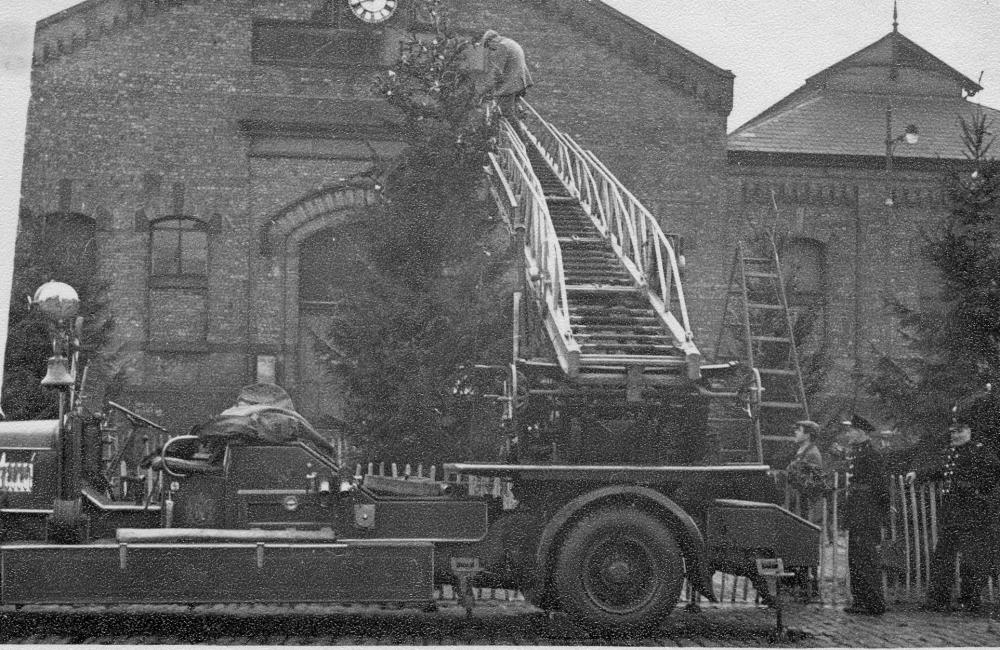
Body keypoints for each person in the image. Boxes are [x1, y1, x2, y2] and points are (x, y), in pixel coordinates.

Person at [908, 404, 1000, 614]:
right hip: (952, 513)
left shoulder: (980, 452)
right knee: (943, 556)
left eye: (959, 431)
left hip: (971, 513)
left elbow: (994, 472)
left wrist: (976, 489)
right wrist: (919, 474)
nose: (954, 435)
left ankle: (970, 601)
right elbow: (943, 472)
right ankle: (937, 599)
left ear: (970, 431)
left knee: (971, 559)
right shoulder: (954, 453)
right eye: (953, 431)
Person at [840, 414, 889, 615]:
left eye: (850, 430)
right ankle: (860, 600)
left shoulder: (871, 454)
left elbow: (881, 486)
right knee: (856, 557)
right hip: (857, 511)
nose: (847, 433)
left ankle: (875, 603)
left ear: (860, 433)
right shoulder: (858, 451)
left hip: (867, 512)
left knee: (867, 557)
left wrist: (883, 511)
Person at [479, 29, 533, 119]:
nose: (491, 50)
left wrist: (485, 89)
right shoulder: (510, 42)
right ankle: (520, 117)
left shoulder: (501, 46)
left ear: (491, 41)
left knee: (506, 113)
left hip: (511, 85)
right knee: (514, 111)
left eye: (489, 47)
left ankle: (519, 133)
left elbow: (496, 72)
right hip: (521, 83)